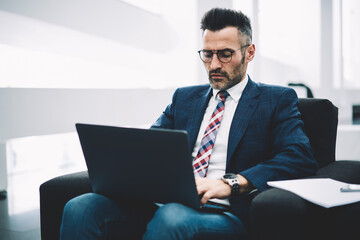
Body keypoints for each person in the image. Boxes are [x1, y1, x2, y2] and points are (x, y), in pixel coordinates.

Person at [60, 8, 318, 240]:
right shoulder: (184, 98)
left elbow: (298, 156)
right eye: (207, 54)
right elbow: (150, 148)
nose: (214, 65)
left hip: (224, 213)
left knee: (171, 218)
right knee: (80, 207)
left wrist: (231, 183)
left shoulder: (276, 99)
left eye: (226, 54)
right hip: (163, 203)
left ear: (249, 52)